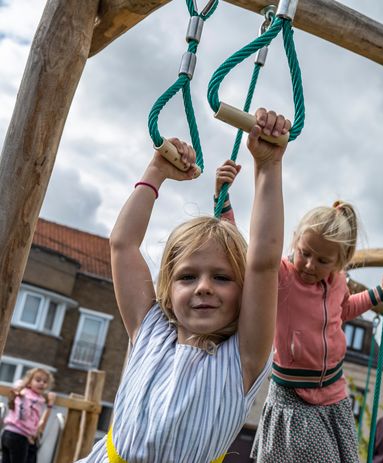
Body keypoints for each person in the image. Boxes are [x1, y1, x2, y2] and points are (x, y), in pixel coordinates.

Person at [79, 108, 288, 462]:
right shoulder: (150, 331)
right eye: (187, 277)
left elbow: (264, 263)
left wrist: (268, 166)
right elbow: (123, 244)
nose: (203, 287)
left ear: (244, 293)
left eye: (221, 278)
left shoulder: (243, 357)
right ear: (168, 289)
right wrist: (156, 172)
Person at [215, 163, 383, 462]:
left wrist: (378, 294)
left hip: (334, 392)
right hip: (295, 395)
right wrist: (223, 204)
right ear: (294, 242)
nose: (309, 265)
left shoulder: (338, 282)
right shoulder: (283, 276)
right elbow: (244, 252)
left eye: (322, 260)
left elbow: (343, 311)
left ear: (340, 263)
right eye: (305, 253)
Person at [2, 368, 56, 463]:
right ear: (29, 382)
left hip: (7, 432)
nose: (42, 383)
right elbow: (24, 416)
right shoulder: (30, 397)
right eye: (38, 380)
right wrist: (30, 434)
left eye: (45, 381)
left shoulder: (24, 392)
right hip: (19, 436)